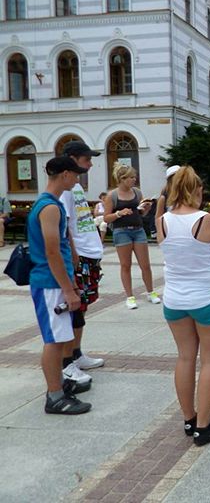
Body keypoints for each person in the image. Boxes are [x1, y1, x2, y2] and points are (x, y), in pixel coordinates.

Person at [156, 166, 210, 445]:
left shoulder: (162, 220)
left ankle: (188, 418)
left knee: (185, 358)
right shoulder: (207, 220)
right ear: (196, 189)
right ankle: (204, 426)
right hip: (206, 298)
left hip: (174, 299)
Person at [28, 157, 92, 414]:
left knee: (60, 336)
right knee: (54, 341)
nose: (78, 179)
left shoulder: (49, 204)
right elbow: (52, 252)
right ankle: (54, 396)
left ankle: (59, 384)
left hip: (54, 282)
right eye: (76, 174)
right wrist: (68, 288)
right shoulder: (50, 208)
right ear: (64, 174)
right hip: (50, 283)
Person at [59, 142, 106, 392]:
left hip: (90, 254)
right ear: (71, 159)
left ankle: (76, 354)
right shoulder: (65, 189)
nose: (90, 164)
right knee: (74, 311)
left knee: (83, 309)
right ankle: (67, 361)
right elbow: (64, 226)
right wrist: (74, 255)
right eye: (86, 159)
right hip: (80, 258)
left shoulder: (75, 185)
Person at [103, 164, 160, 310]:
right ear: (122, 179)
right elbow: (106, 218)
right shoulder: (112, 196)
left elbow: (140, 214)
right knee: (125, 265)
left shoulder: (137, 192)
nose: (134, 179)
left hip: (138, 230)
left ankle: (150, 292)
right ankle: (130, 296)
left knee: (145, 264)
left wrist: (145, 210)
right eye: (131, 177)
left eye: (135, 177)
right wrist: (119, 213)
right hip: (121, 231)